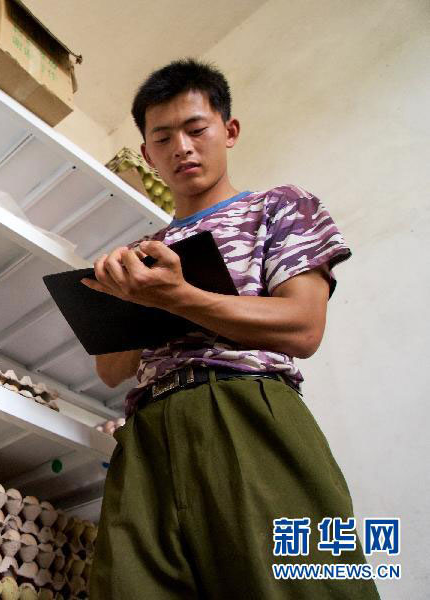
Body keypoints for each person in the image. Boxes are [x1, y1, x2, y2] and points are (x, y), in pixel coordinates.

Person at [84, 59, 380, 599]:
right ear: (149, 154)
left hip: (246, 412)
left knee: (299, 587)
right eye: (164, 137)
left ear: (229, 130)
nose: (183, 148)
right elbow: (110, 371)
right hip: (147, 431)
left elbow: (303, 327)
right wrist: (126, 301)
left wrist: (181, 297)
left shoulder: (281, 206)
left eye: (197, 129)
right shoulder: (142, 253)